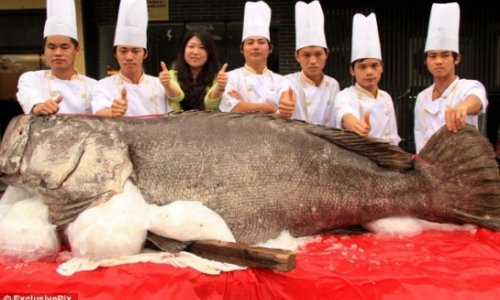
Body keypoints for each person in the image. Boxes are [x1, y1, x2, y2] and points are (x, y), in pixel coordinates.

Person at [414, 2, 488, 153]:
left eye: (445, 55)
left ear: (457, 59)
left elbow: (477, 99)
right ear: (426, 61)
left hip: (462, 169)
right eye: (433, 56)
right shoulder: (422, 97)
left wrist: (463, 107)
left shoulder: (468, 86)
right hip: (429, 170)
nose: (439, 61)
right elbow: (420, 137)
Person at [91, 0, 182, 117]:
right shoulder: (103, 86)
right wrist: (113, 112)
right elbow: (99, 112)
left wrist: (168, 84)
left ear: (145, 54)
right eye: (123, 51)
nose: (129, 57)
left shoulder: (158, 85)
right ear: (115, 54)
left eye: (135, 51)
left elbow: (176, 103)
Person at [16, 0, 97, 115]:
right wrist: (38, 106)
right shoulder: (32, 79)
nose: (58, 53)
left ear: (77, 50)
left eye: (64, 47)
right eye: (52, 47)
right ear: (44, 49)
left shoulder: (93, 86)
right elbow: (29, 96)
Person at [333, 13, 400, 146]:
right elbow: (344, 113)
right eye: (362, 67)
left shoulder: (386, 97)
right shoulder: (345, 95)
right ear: (352, 70)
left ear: (382, 67)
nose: (369, 72)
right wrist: (356, 125)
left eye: (374, 65)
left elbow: (393, 137)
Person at [219, 1, 295, 117]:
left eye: (261, 42)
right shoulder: (230, 78)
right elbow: (232, 109)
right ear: (241, 49)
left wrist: (245, 105)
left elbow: (284, 114)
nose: (255, 47)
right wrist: (269, 107)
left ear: (270, 49)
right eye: (250, 42)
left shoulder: (281, 81)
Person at [286, 1, 339, 127]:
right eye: (306, 55)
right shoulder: (288, 82)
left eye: (318, 54)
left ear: (326, 54)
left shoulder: (333, 84)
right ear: (297, 56)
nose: (313, 61)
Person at [170, 30, 228, 111]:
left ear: (209, 52)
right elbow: (176, 97)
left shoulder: (219, 77)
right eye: (191, 46)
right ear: (183, 50)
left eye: (202, 47)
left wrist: (219, 87)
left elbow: (211, 104)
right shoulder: (171, 76)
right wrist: (167, 85)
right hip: (177, 123)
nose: (195, 52)